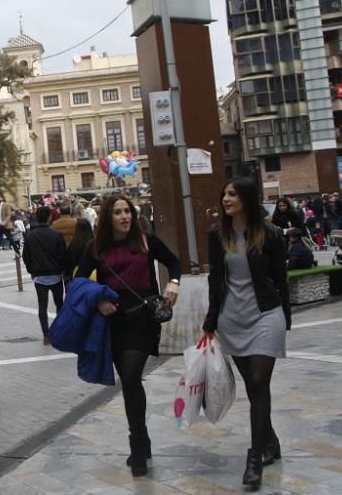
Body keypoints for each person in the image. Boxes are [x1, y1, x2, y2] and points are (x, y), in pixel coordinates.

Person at [76, 193, 182, 477]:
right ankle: (142, 439)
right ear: (108, 217)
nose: (124, 217)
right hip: (114, 322)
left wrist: (173, 283)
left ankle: (137, 445)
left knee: (133, 376)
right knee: (129, 382)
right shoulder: (95, 248)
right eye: (118, 212)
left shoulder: (145, 240)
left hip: (144, 318)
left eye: (128, 212)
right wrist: (98, 300)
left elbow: (174, 262)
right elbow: (79, 281)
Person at [204, 177, 290, 488]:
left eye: (232, 194)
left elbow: (281, 279)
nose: (226, 199)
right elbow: (216, 280)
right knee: (255, 391)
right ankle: (271, 440)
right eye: (224, 193)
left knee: (258, 381)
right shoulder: (217, 235)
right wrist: (211, 320)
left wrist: (286, 319)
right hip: (231, 319)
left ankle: (254, 460)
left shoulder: (270, 234)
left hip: (266, 315)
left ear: (247, 199)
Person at [23, 206, 68, 346]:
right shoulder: (56, 234)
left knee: (42, 306)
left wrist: (31, 270)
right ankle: (61, 332)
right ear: (49, 217)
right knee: (59, 303)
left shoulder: (30, 235)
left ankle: (46, 335)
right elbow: (62, 254)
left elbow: (26, 256)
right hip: (55, 273)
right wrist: (62, 270)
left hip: (39, 275)